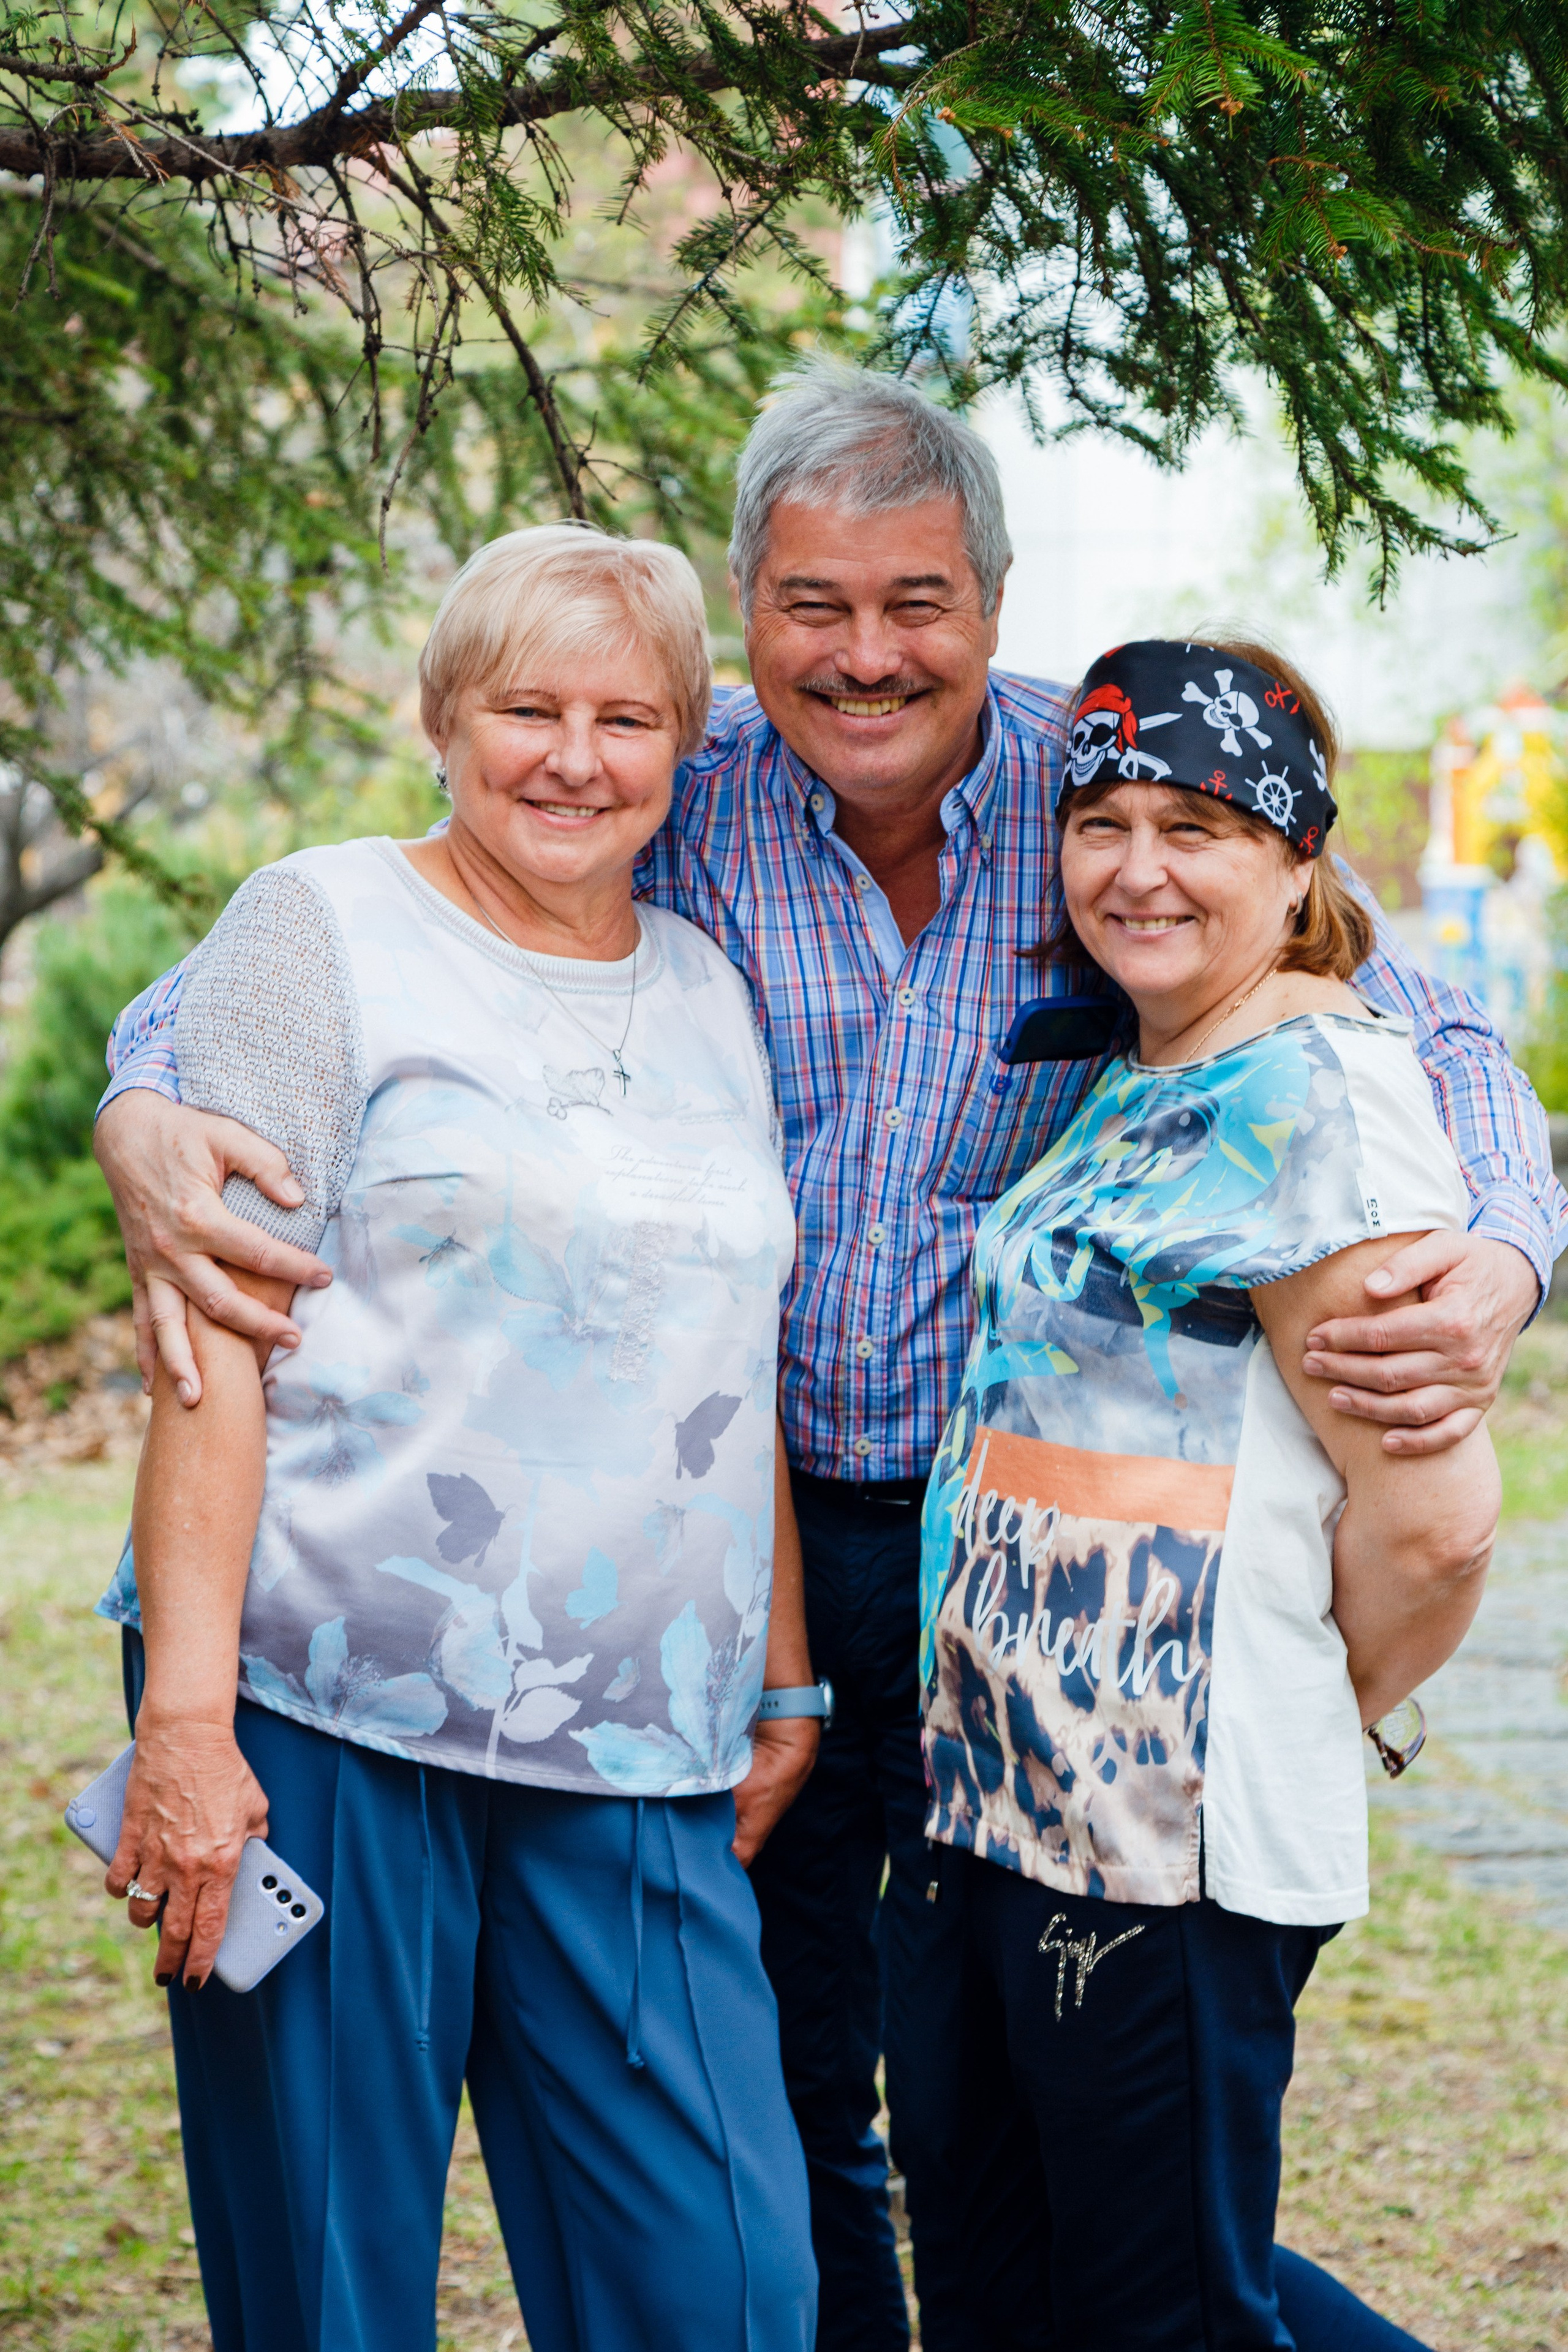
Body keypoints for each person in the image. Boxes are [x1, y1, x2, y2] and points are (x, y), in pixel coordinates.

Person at [94, 364, 1566, 2352]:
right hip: (740, 1565)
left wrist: (1507, 1254)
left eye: (918, 601)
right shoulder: (654, 774)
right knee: (834, 2100)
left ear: (994, 597)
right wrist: (138, 1105)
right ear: (750, 603)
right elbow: (247, 1000)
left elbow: (1422, 1014)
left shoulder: (1101, 789)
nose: (866, 656)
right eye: (812, 604)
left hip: (996, 1589)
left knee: (1086, 2130)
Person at [94, 524, 819, 2352]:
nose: (574, 757)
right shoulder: (319, 924)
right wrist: (186, 1727)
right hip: (325, 1715)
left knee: (727, 2290)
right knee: (329, 2283)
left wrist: (785, 1679)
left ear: (685, 745)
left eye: (627, 717)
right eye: (527, 708)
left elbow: (728, 1360)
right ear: (441, 717)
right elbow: (213, 1342)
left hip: (648, 1744)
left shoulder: (714, 991)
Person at [921, 636, 1498, 2352]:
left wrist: (1309, 1704)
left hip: (1165, 1836)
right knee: (1026, 2279)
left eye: (1200, 823)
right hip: (1009, 1801)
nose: (1139, 866)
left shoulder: (1321, 1097)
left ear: (1298, 856)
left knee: (1159, 2307)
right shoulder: (1150, 1061)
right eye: (1101, 820)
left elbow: (1439, 1519)